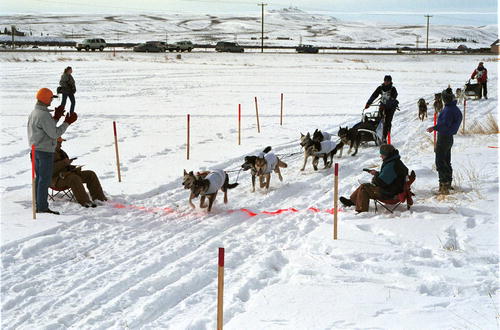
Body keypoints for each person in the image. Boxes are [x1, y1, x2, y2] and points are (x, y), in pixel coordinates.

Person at [28, 88, 78, 214]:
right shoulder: (43, 115)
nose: (52, 100)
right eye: (51, 98)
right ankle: (42, 208)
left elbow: (47, 127)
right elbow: (54, 133)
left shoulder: (36, 112)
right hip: (44, 151)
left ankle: (39, 204)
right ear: (45, 98)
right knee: (44, 180)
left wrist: (55, 118)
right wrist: (67, 122)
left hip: (36, 150)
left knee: (40, 178)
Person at [339, 144, 408, 213]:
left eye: (382, 154)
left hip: (389, 194)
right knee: (365, 185)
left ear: (387, 154)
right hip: (393, 190)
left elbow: (380, 182)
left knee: (364, 187)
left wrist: (375, 177)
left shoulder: (391, 165)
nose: (381, 156)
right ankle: (352, 201)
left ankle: (361, 210)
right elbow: (389, 177)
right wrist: (377, 174)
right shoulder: (395, 161)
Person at [426, 88, 462, 195]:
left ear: (444, 99)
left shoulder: (448, 110)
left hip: (444, 137)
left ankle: (444, 187)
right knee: (446, 160)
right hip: (449, 138)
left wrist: (434, 127)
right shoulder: (454, 109)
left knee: (440, 161)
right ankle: (448, 183)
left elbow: (445, 125)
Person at [52, 137, 107, 207]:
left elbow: (64, 166)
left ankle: (100, 199)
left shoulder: (61, 152)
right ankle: (85, 202)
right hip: (55, 179)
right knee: (74, 178)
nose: (61, 145)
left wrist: (72, 167)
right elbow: (49, 170)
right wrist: (64, 162)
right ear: (53, 143)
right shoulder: (46, 154)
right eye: (59, 143)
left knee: (90, 174)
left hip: (66, 174)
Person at [365, 75, 398, 142]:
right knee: (379, 120)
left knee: (387, 122)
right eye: (385, 80)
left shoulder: (393, 89)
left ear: (390, 81)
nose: (386, 82)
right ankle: (376, 134)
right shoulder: (380, 88)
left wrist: (389, 101)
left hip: (391, 107)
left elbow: (394, 97)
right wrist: (368, 103)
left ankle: (384, 137)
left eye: (388, 81)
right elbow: (374, 95)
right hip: (383, 106)